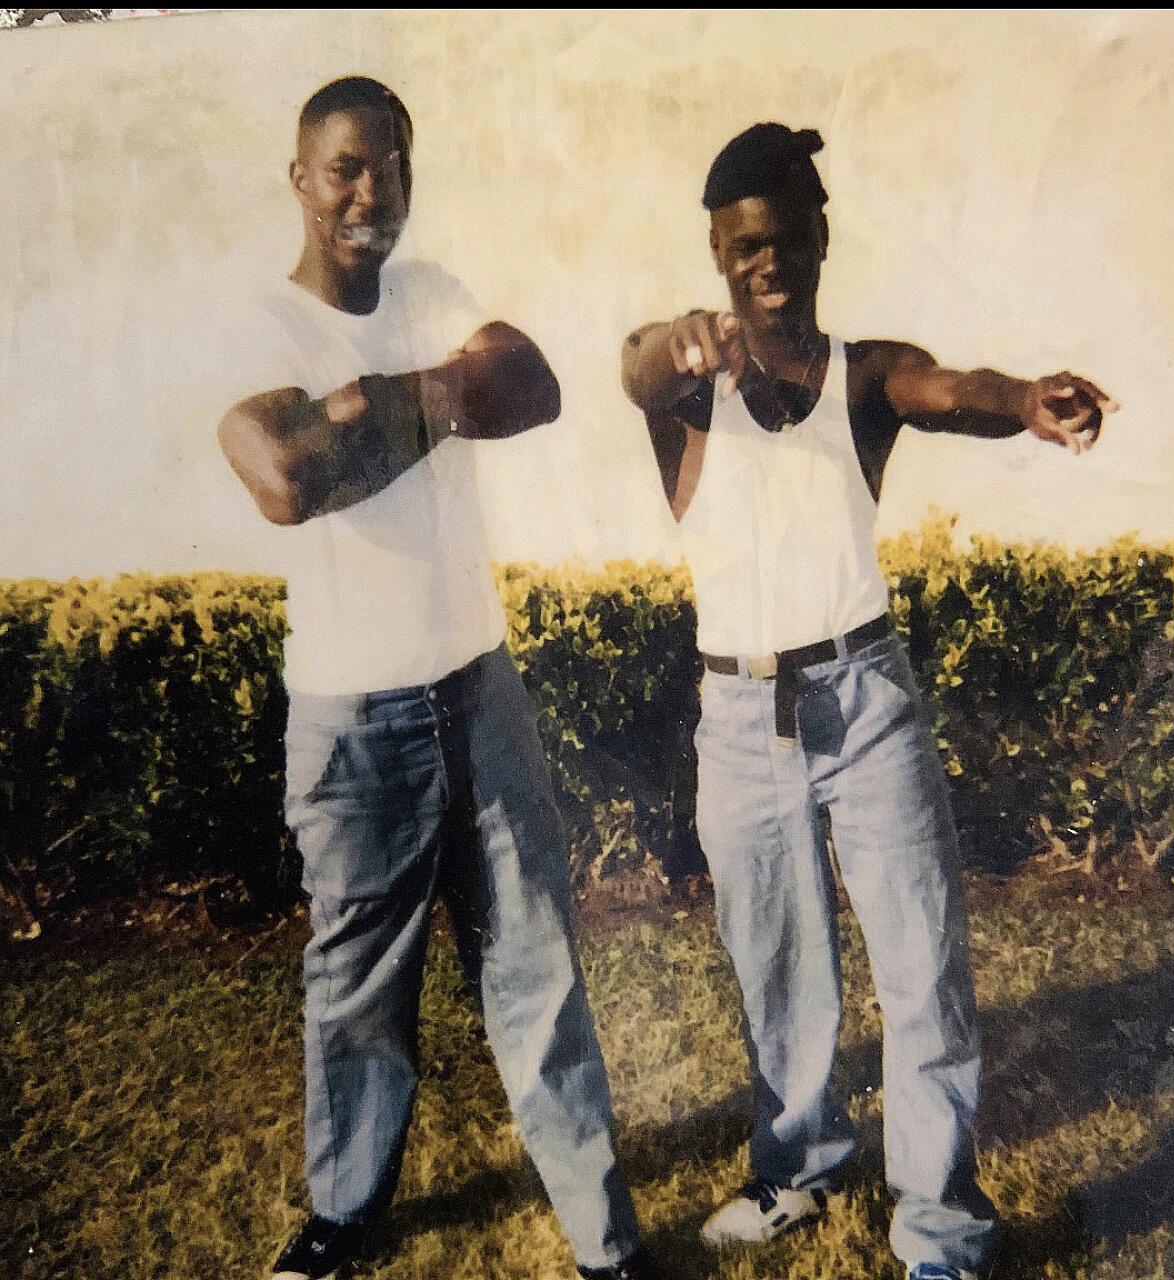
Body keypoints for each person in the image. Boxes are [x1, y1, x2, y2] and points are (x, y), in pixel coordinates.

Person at [619, 123, 1115, 1280]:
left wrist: (1030, 401)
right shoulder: (685, 393)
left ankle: (938, 1226)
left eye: (787, 240)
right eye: (744, 248)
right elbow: (636, 360)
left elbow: (955, 389)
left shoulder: (861, 372)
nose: (767, 264)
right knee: (776, 964)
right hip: (740, 715)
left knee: (920, 956)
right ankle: (796, 1167)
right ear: (718, 251)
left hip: (866, 694)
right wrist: (676, 343)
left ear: (820, 241)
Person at [217, 76, 661, 1280]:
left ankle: (603, 1240)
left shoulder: (432, 292)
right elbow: (284, 478)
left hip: (479, 688)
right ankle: (346, 1215)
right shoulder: (262, 323)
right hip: (354, 714)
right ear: (301, 177)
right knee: (356, 987)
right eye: (349, 167)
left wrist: (366, 410)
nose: (373, 193)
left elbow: (533, 386)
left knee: (539, 971)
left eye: (394, 167)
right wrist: (435, 406)